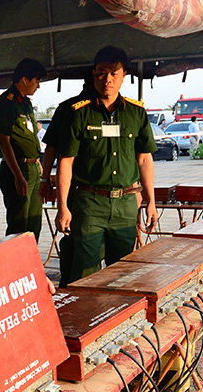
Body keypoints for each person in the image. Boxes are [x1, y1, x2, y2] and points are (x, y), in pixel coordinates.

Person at [55, 46, 158, 286]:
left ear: (124, 76)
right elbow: (66, 162)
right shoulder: (79, 114)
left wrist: (151, 201)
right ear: (94, 74)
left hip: (125, 205)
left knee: (122, 273)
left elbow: (144, 159)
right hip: (90, 205)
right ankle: (84, 321)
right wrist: (63, 206)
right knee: (85, 272)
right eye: (102, 72)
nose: (107, 79)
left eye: (114, 73)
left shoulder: (136, 113)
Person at [40, 69, 96, 287]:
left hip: (79, 188)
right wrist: (46, 181)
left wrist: (46, 181)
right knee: (75, 239)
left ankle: (69, 284)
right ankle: (70, 285)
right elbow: (52, 148)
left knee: (74, 238)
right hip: (75, 187)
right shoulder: (71, 109)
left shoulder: (110, 109)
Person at [0, 58, 47, 239]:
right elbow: (4, 141)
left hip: (32, 168)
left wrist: (37, 162)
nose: (38, 86)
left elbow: (30, 136)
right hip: (17, 169)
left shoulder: (26, 104)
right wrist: (17, 175)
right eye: (36, 81)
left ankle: (30, 266)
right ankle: (16, 267)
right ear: (24, 79)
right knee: (19, 227)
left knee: (34, 223)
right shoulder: (6, 103)